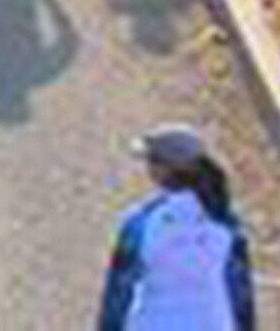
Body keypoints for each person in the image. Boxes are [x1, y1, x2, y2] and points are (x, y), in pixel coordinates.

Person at [98, 126, 258, 331]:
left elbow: (119, 293)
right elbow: (240, 291)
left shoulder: (140, 223)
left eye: (151, 160)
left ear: (163, 170)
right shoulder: (226, 223)